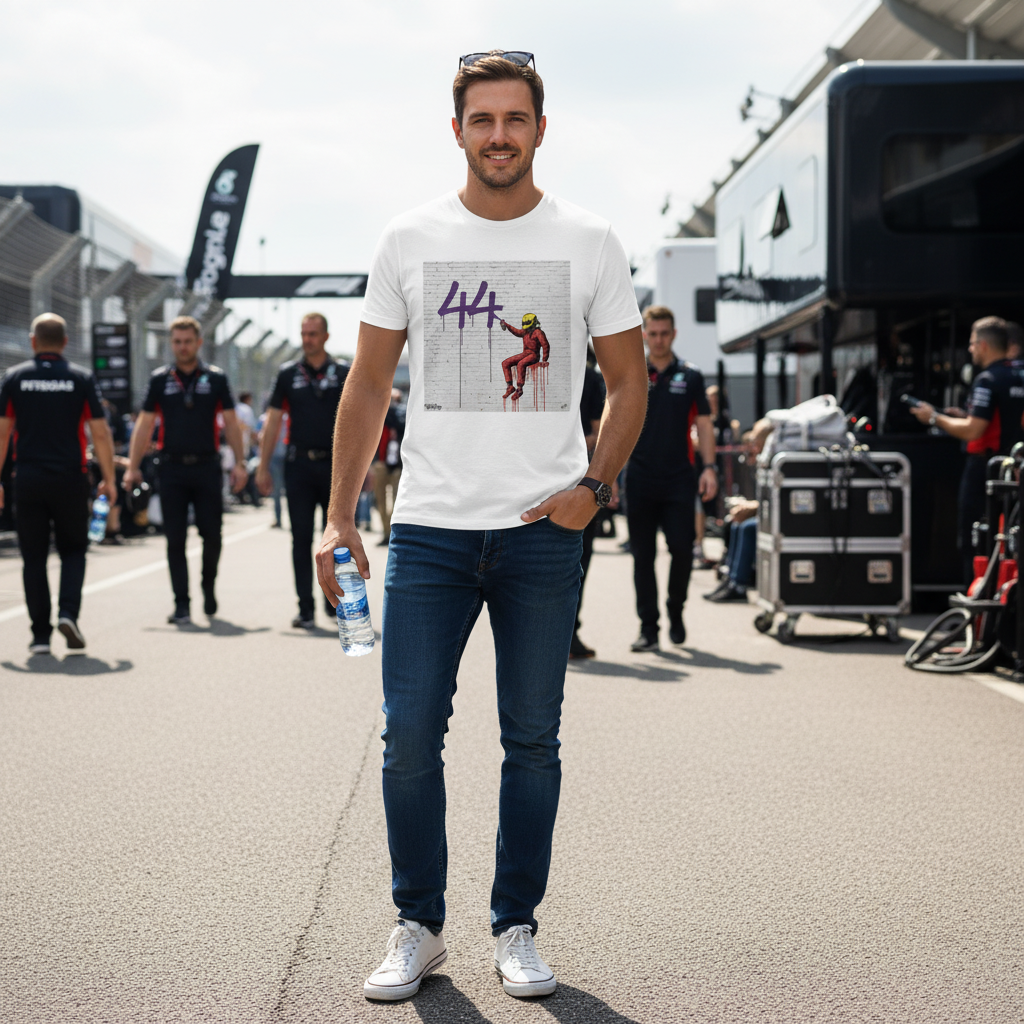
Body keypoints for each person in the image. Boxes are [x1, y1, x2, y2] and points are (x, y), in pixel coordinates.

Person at [312, 51, 648, 1003]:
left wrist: (596, 483)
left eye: (515, 118)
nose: (498, 135)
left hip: (544, 531)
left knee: (530, 740)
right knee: (409, 734)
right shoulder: (408, 236)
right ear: (455, 129)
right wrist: (338, 518)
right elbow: (369, 381)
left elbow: (630, 384)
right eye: (481, 119)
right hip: (429, 532)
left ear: (542, 128)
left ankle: (516, 926)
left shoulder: (589, 239)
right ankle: (418, 923)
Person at [0, 313, 116, 655]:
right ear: (65, 343)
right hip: (70, 477)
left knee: (33, 557)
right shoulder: (80, 378)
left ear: (33, 342)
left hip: (30, 478)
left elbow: (3, 432)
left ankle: (39, 635)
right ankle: (68, 614)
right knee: (73, 551)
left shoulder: (14, 377)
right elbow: (100, 431)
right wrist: (109, 478)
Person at [123, 316, 248, 624]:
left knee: (212, 535)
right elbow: (144, 424)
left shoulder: (216, 379)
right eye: (177, 342)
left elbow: (231, 423)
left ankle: (208, 587)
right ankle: (181, 603)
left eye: (187, 341)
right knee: (174, 538)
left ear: (198, 343)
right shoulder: (159, 379)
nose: (182, 347)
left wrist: (240, 463)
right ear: (171, 344)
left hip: (207, 467)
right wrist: (132, 465)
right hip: (171, 469)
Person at [625, 305, 718, 651]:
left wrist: (709, 468)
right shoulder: (633, 372)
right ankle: (649, 628)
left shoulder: (690, 376)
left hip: (680, 477)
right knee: (642, 555)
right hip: (639, 477)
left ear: (674, 334)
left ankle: (675, 610)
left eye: (665, 333)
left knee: (682, 548)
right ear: (644, 335)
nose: (659, 339)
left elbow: (704, 426)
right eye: (653, 333)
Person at [909, 316, 1024, 587]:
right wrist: (963, 415)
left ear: (983, 345)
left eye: (972, 344)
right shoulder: (1018, 374)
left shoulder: (987, 379)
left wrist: (934, 418)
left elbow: (973, 430)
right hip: (1016, 471)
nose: (970, 349)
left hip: (986, 471)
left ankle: (977, 614)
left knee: (975, 540)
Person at [256, 312, 348, 629]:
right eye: (303, 333)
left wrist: (366, 467)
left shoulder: (343, 372)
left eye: (313, 333)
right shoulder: (287, 374)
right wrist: (263, 466)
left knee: (335, 541)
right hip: (299, 466)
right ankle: (305, 608)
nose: (307, 339)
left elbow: (356, 422)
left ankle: (333, 602)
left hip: (335, 468)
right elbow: (272, 422)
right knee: (300, 538)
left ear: (325, 336)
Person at [569, 345, 607, 659]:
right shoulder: (591, 377)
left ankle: (565, 634)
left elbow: (598, 430)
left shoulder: (590, 379)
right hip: (579, 479)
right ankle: (566, 634)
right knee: (577, 560)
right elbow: (597, 432)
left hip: (572, 480)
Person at [372, 388, 404, 545]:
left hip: (398, 466)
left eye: (395, 399)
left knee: (397, 501)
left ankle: (394, 533)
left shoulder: (402, 416)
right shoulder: (376, 415)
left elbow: (398, 423)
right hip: (381, 463)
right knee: (381, 501)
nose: (391, 403)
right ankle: (386, 532)